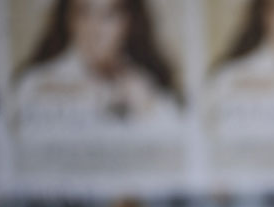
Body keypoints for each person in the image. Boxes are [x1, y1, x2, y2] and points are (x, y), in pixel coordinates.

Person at [14, 0, 180, 128]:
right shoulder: (35, 83)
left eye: (108, 15)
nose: (95, 29)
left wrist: (146, 106)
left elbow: (179, 135)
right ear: (69, 20)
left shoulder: (143, 85)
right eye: (85, 14)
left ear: (127, 22)